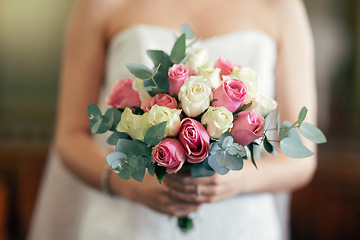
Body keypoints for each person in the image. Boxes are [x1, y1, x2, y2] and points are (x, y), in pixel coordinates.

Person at [28, 0, 317, 239]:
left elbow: (301, 157)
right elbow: (70, 135)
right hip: (126, 226)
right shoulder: (100, 4)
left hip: (239, 226)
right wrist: (127, 184)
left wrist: (235, 181)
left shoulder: (282, 7)